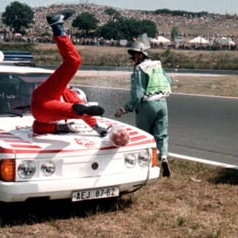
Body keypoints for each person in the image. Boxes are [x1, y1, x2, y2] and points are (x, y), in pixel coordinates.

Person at [31, 10, 108, 137]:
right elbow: (37, 126)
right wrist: (96, 128)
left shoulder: (67, 93)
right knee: (71, 109)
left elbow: (37, 126)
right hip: (44, 104)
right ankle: (57, 26)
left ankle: (58, 27)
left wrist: (63, 127)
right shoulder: (70, 94)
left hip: (44, 100)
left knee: (73, 62)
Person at [114, 33, 172, 177]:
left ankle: (146, 164)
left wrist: (126, 108)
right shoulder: (157, 65)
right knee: (162, 135)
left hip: (147, 105)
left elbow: (138, 93)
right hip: (162, 103)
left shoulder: (140, 69)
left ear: (141, 55)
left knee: (145, 135)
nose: (133, 59)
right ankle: (163, 157)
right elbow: (168, 81)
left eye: (134, 55)